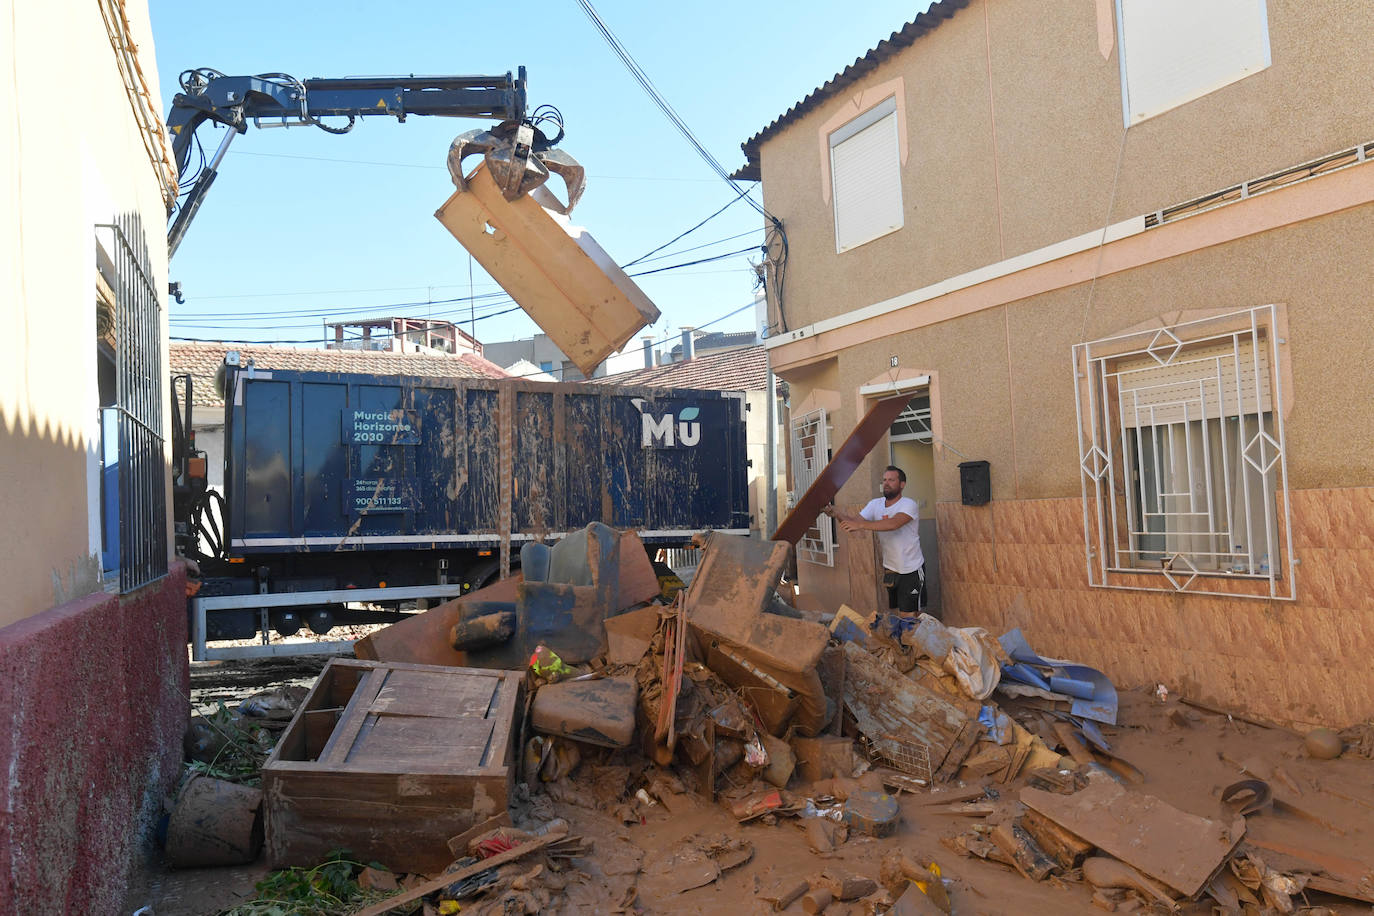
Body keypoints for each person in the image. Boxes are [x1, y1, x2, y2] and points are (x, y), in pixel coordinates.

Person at [823, 466, 926, 616]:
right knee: (896, 613)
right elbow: (852, 522)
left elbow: (893, 524)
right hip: (890, 568)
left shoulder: (908, 504)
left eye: (891, 480)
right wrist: (836, 514)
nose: (886, 483)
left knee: (910, 617)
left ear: (902, 484)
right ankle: (901, 639)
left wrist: (861, 525)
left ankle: (917, 638)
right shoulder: (875, 504)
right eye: (884, 480)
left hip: (911, 569)